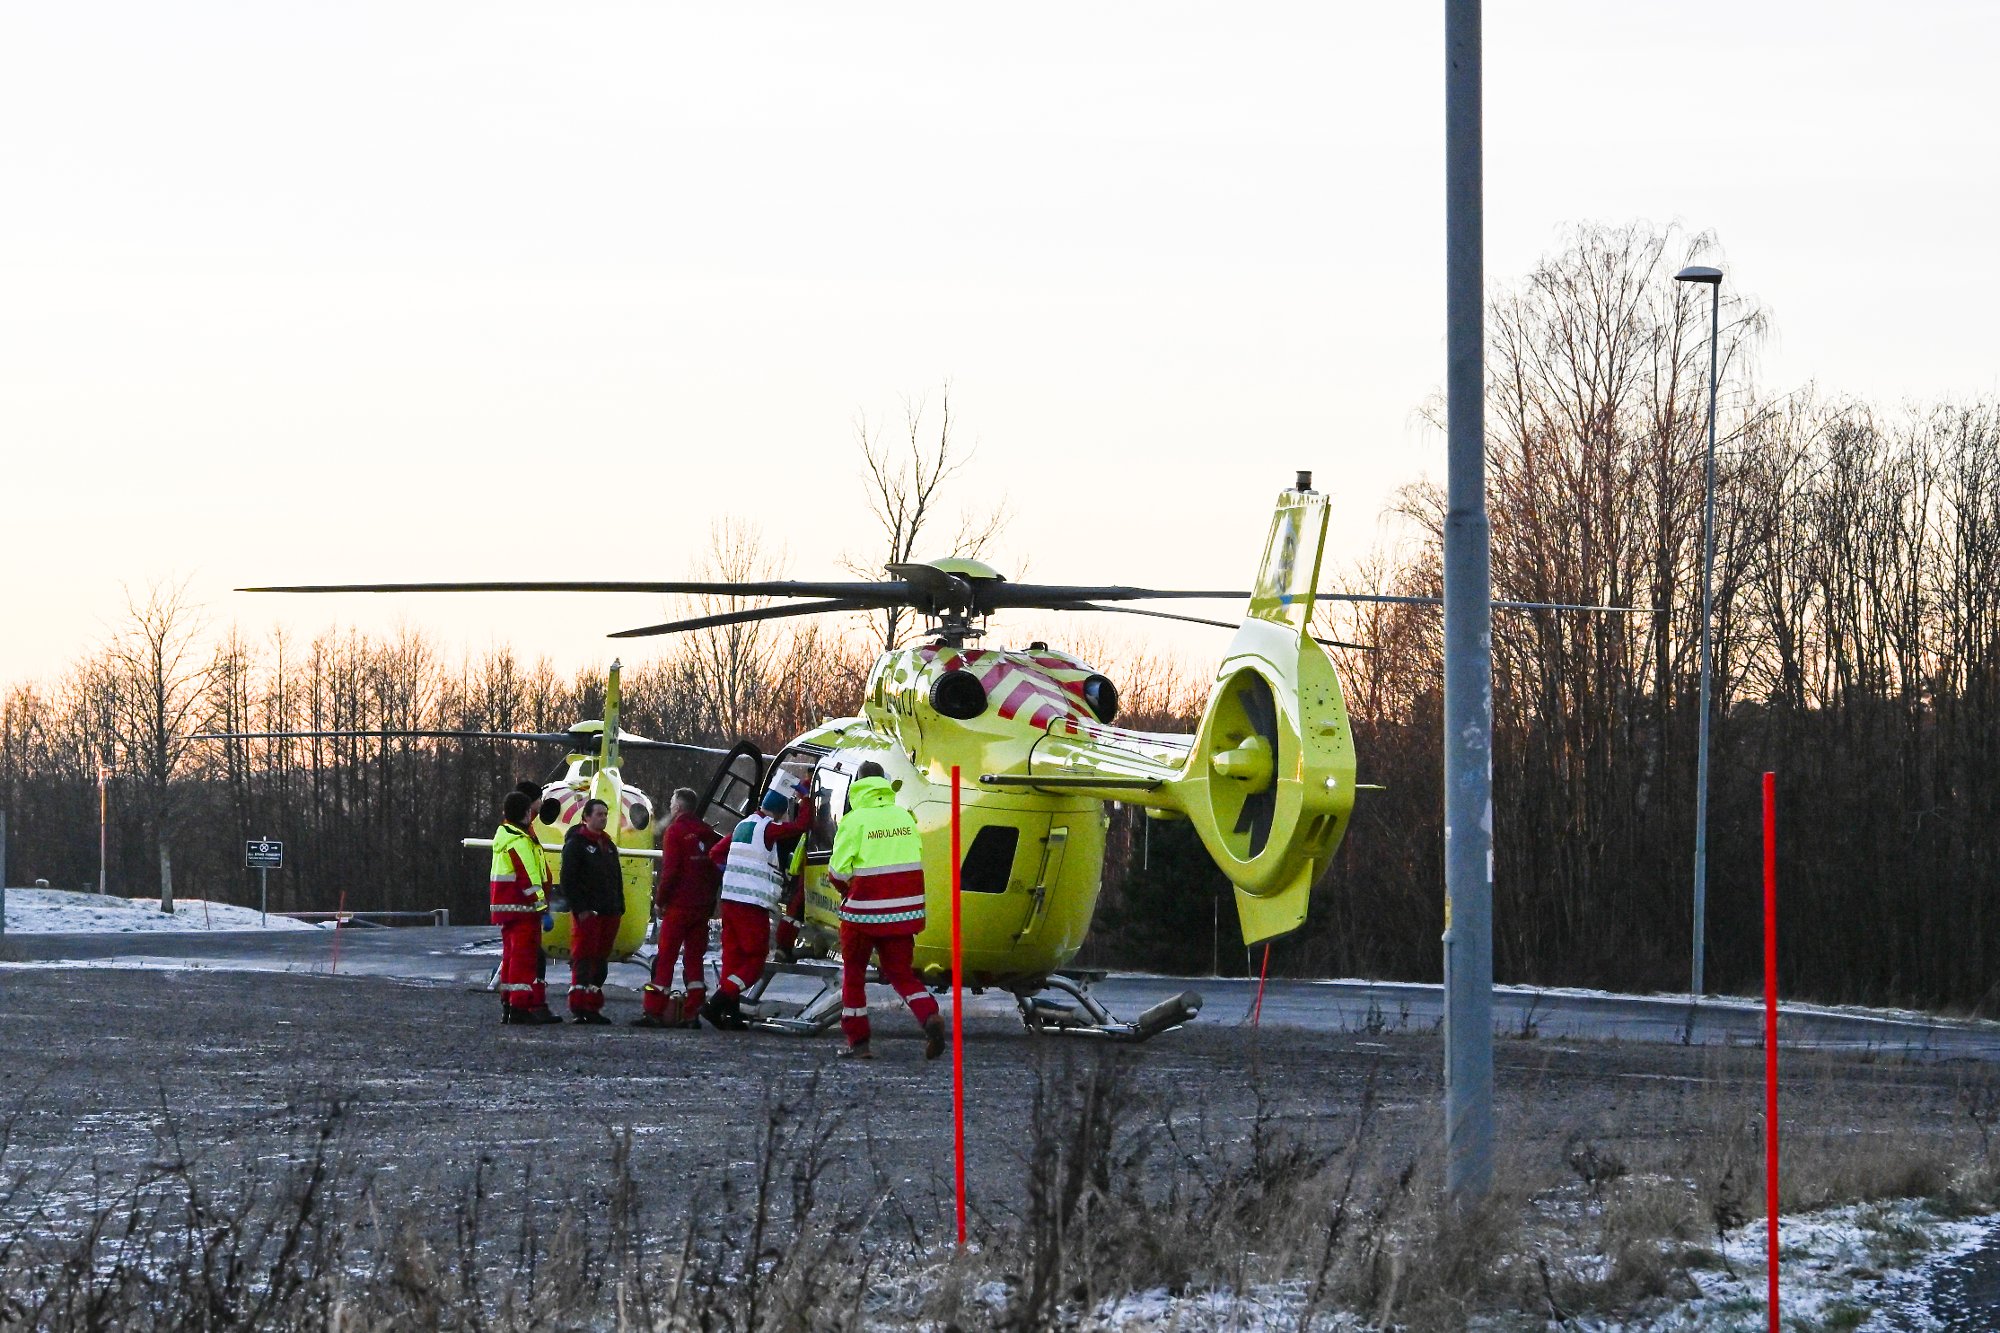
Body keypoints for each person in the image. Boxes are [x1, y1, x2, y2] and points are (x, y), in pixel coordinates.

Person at [827, 763, 945, 1060]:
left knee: (853, 976)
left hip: (862, 916)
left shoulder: (854, 821)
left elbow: (837, 872)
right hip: (903, 915)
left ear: (858, 784)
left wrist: (848, 892)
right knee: (901, 974)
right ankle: (930, 1015)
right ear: (885, 783)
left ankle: (860, 1042)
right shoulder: (905, 818)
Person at [701, 775, 814, 1031]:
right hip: (752, 904)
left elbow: (715, 853)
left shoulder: (742, 826)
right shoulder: (768, 829)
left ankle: (730, 1014)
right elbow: (801, 826)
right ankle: (715, 1005)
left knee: (733, 958)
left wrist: (735, 872)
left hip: (729, 900)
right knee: (754, 961)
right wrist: (806, 799)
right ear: (780, 810)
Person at [634, 788, 721, 1029]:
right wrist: (710, 902)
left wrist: (660, 901)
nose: (670, 807)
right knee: (695, 960)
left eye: (672, 803)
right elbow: (715, 870)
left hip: (679, 907)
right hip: (701, 907)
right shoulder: (708, 833)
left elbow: (670, 872)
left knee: (666, 959)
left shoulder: (675, 832)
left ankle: (654, 1010)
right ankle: (692, 1013)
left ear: (678, 807)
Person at [490, 789, 560, 1025]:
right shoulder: (519, 840)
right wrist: (542, 908)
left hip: (509, 908)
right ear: (525, 812)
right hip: (523, 910)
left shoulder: (506, 836)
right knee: (523, 958)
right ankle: (520, 1006)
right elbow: (529, 878)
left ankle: (509, 1003)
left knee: (511, 957)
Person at [559, 797, 623, 1024]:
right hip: (589, 913)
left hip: (609, 912)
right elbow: (568, 879)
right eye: (599, 814)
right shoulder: (576, 844)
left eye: (605, 814)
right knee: (584, 959)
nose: (603, 818)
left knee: (600, 961)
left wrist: (619, 907)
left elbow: (616, 878)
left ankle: (592, 1005)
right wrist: (581, 908)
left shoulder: (608, 845)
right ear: (586, 817)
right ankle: (579, 1006)